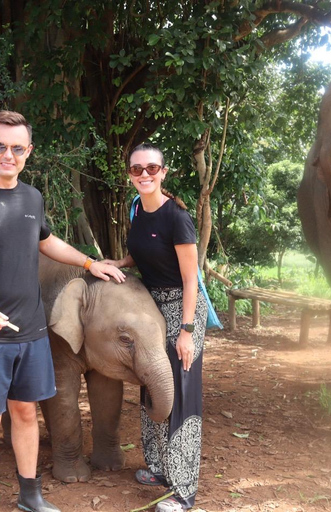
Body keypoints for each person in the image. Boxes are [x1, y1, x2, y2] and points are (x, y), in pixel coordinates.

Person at [0, 110, 125, 512]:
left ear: (28, 152)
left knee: (25, 413)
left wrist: (90, 264)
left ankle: (29, 495)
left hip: (32, 331)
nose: (8, 155)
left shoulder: (32, 197)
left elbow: (46, 241)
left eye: (17, 148)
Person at [103, 143, 207, 512]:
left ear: (163, 172)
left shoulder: (176, 217)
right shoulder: (138, 210)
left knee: (180, 392)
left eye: (151, 169)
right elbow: (144, 251)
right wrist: (120, 261)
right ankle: (160, 468)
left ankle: (183, 491)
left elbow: (190, 279)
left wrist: (187, 330)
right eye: (136, 170)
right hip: (150, 310)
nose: (144, 175)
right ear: (129, 174)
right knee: (152, 383)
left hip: (181, 308)